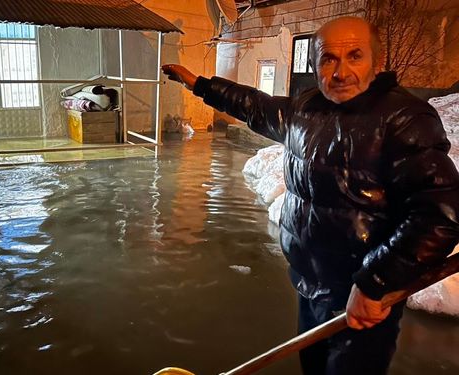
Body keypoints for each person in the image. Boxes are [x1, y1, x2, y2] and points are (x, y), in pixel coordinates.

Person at [163, 16, 459, 375]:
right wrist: (201, 85)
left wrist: (376, 283)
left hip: (362, 297)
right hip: (309, 282)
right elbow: (256, 106)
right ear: (314, 64)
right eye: (328, 59)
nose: (340, 71)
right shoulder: (307, 109)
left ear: (376, 62)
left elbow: (439, 214)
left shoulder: (404, 119)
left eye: (354, 56)